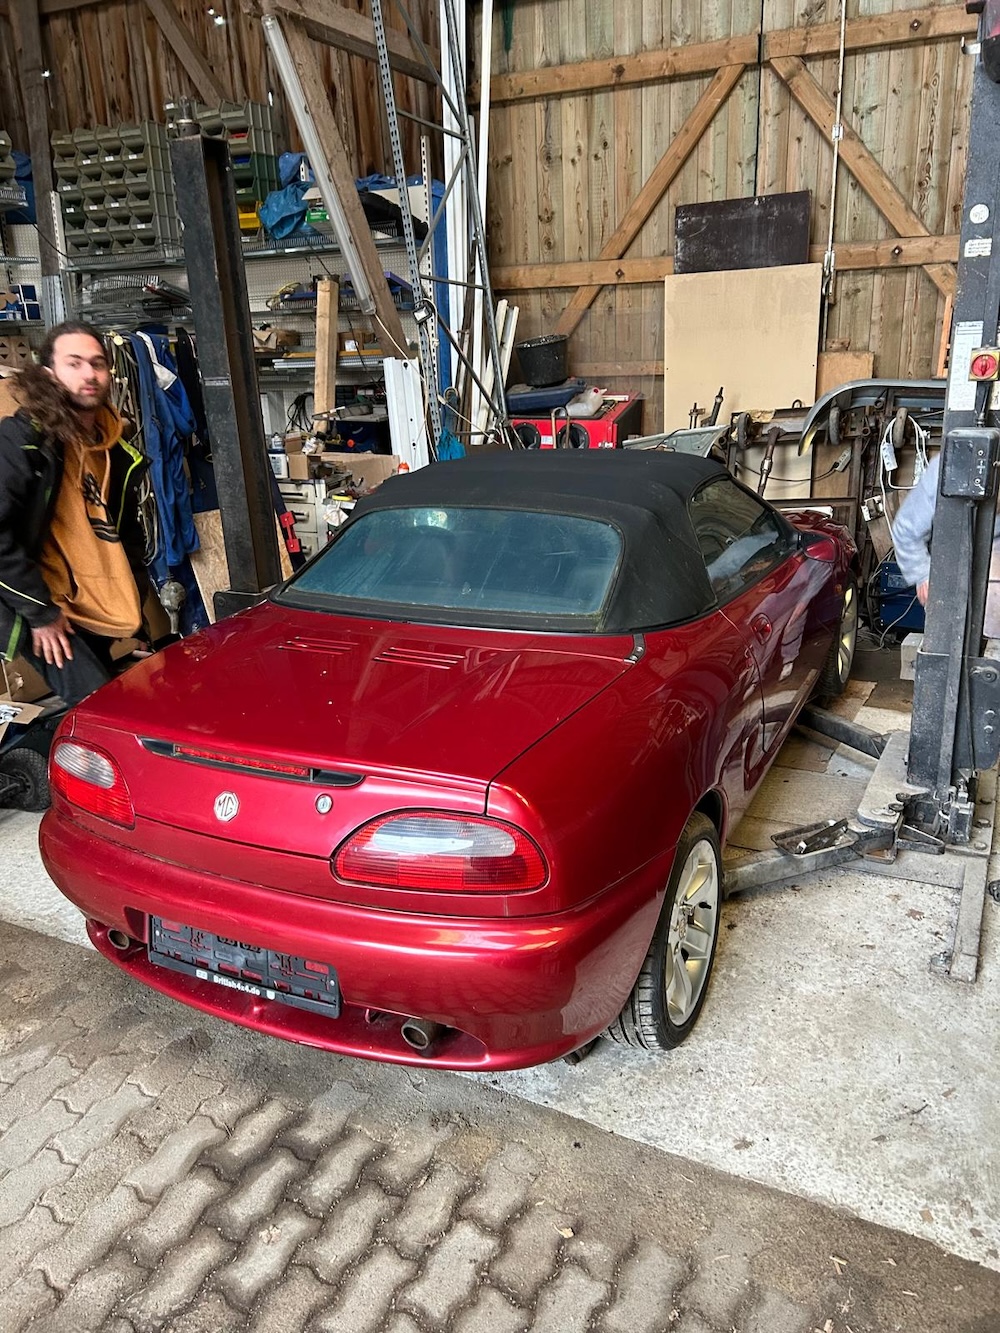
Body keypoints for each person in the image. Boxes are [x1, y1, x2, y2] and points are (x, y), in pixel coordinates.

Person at [0, 321, 151, 706]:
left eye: (97, 364)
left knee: (107, 695)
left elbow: (125, 535)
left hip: (90, 598)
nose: (89, 374)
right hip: (37, 597)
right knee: (97, 702)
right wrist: (40, 614)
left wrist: (135, 607)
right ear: (49, 374)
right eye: (74, 363)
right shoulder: (23, 441)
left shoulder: (112, 448)